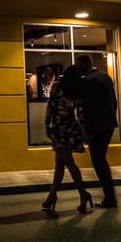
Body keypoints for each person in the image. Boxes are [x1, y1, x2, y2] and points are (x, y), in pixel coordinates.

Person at [41, 65, 93, 213]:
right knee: (60, 164)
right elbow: (80, 112)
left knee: (68, 163)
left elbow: (50, 108)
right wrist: (83, 130)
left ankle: (82, 194)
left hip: (58, 129)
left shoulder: (58, 87)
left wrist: (48, 126)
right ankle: (53, 196)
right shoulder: (77, 90)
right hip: (69, 129)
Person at [76, 55, 119, 208]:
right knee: (101, 159)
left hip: (96, 127)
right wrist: (111, 118)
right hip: (108, 125)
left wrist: (86, 131)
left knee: (98, 160)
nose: (77, 68)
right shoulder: (106, 77)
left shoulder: (87, 81)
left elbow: (86, 109)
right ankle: (110, 196)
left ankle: (110, 198)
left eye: (78, 65)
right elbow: (114, 102)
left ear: (83, 65)